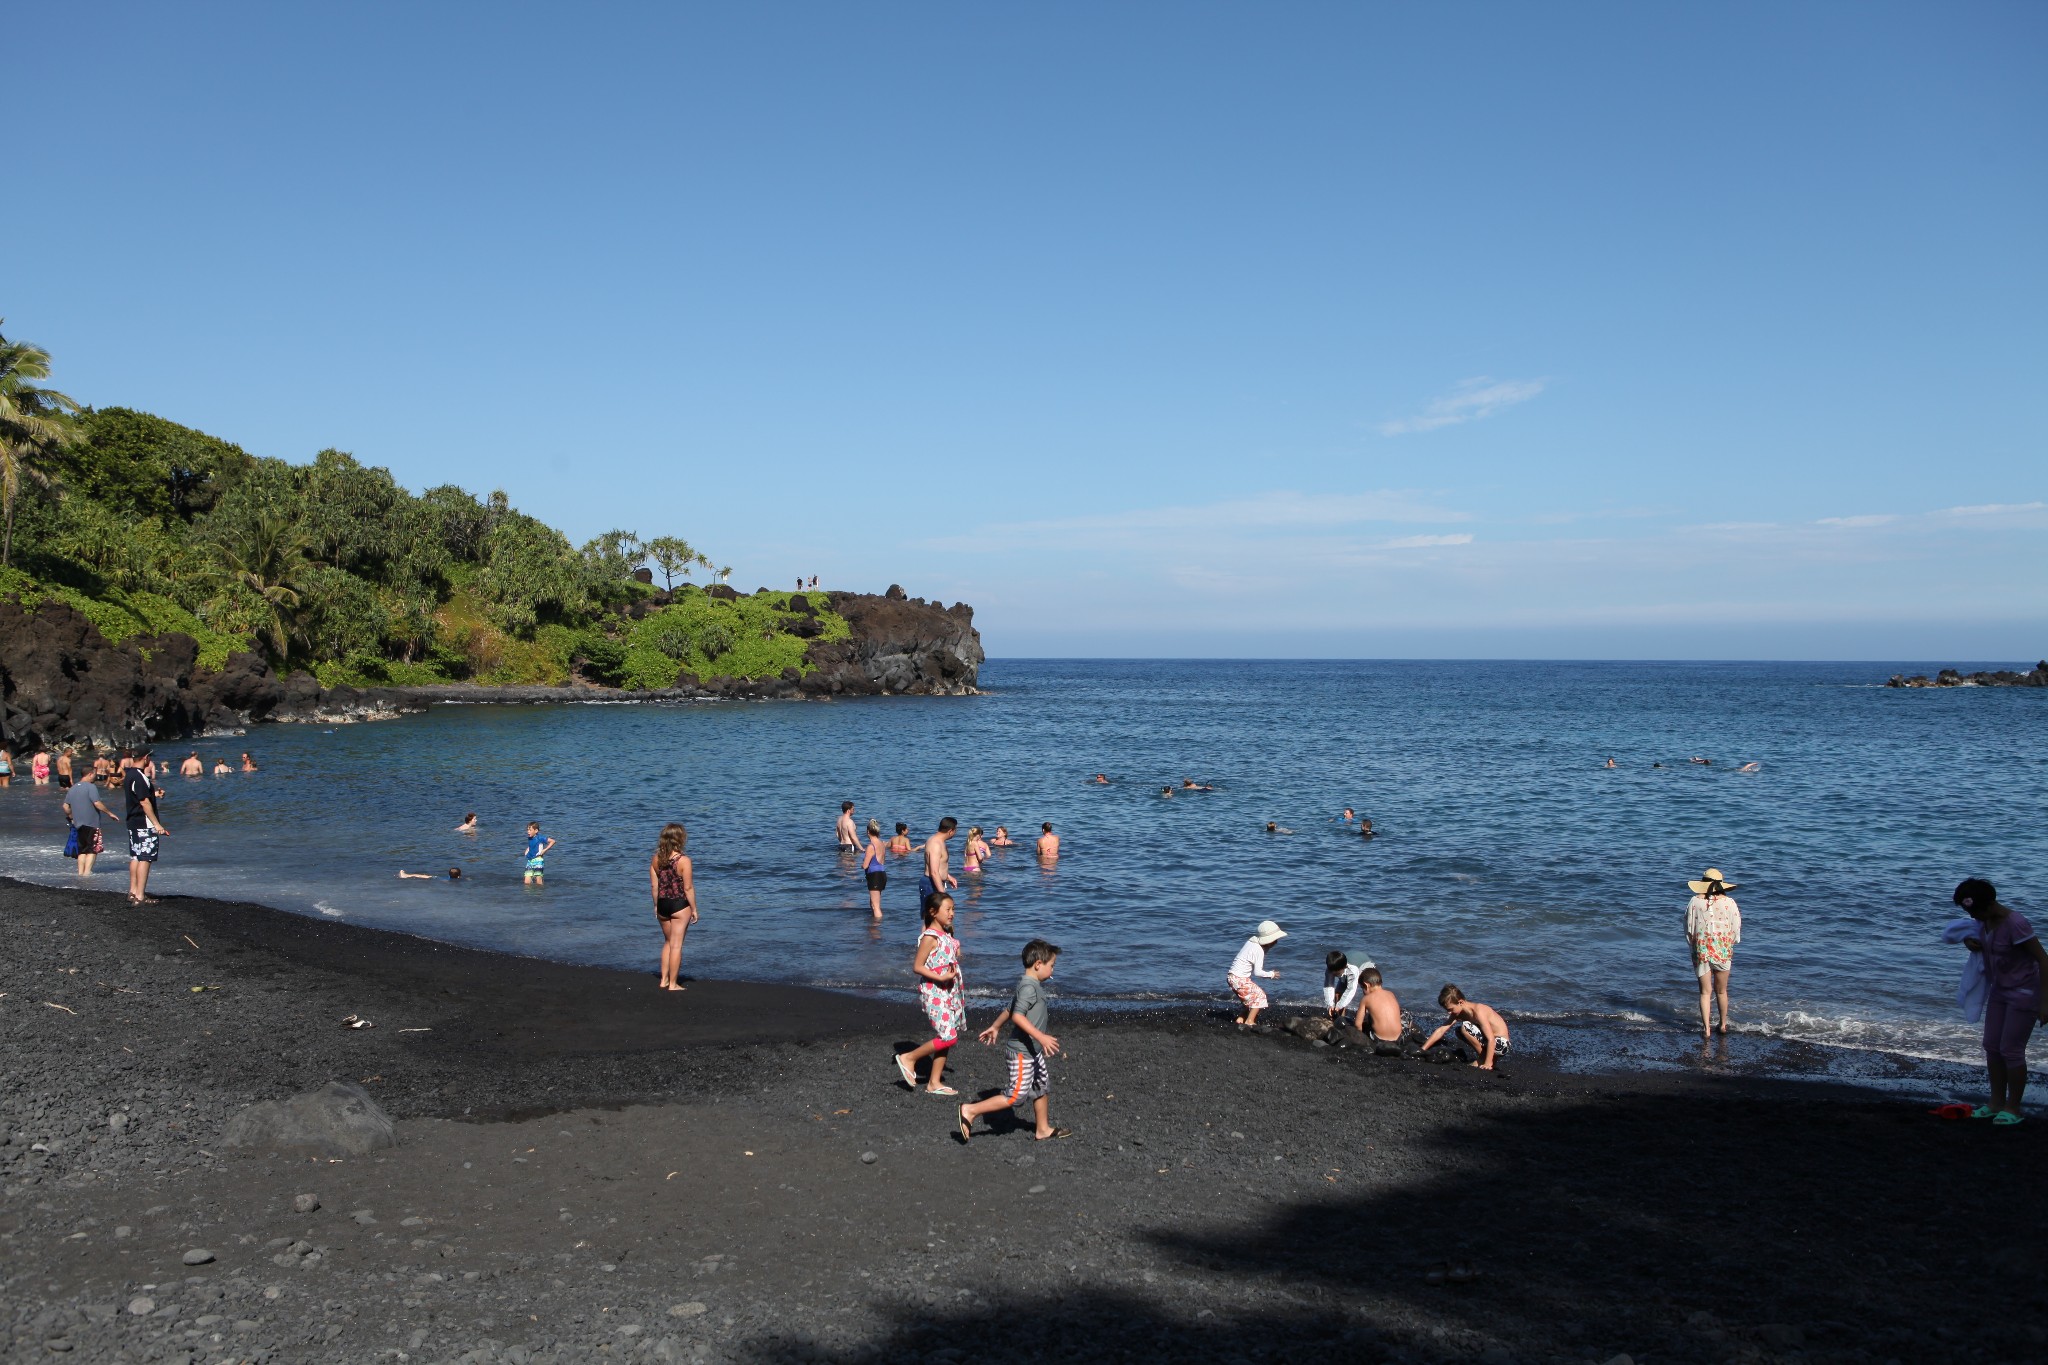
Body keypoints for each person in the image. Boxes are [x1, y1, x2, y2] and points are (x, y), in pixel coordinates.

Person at [959, 939, 1071, 1142]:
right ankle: (970, 1110)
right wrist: (1041, 1037)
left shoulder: (1027, 984)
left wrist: (995, 1026)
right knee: (1015, 1095)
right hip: (1021, 1052)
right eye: (1051, 965)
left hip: (1032, 1050)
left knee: (1041, 1085)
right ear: (1038, 964)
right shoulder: (1029, 987)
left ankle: (1043, 1128)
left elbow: (1010, 1009)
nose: (1053, 970)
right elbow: (1018, 1016)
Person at [1954, 877, 2047, 1125]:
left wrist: (2045, 1003)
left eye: (1974, 911)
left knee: (2011, 1050)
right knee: (1992, 1046)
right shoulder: (1983, 921)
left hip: (2025, 993)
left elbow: (2043, 959)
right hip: (2000, 991)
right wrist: (1970, 943)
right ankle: (1995, 1103)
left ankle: (2013, 1108)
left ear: (1990, 903)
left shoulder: (2016, 923)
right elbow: (1986, 945)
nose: (1973, 917)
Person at [895, 893, 964, 1096]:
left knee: (948, 1034)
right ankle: (909, 1058)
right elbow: (917, 966)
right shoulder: (930, 937)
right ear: (933, 912)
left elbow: (953, 956)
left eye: (953, 909)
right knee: (948, 1036)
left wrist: (952, 939)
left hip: (949, 991)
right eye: (947, 909)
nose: (952, 913)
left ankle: (934, 1082)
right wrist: (940, 977)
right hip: (935, 991)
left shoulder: (945, 935)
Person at [1685, 869, 1743, 1039]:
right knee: (1722, 991)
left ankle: (1706, 1029)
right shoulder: (1730, 903)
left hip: (1701, 950)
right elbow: (1735, 928)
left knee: (1705, 992)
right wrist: (1730, 942)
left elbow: (1688, 929)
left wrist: (1693, 944)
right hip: (1723, 949)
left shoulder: (1694, 901)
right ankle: (1723, 1025)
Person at [650, 823, 697, 992]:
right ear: (680, 839)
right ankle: (673, 984)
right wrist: (694, 909)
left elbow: (654, 887)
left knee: (668, 942)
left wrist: (656, 906)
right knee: (676, 945)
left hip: (663, 903)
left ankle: (663, 980)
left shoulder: (656, 859)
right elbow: (688, 888)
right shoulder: (684, 860)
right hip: (679, 904)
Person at [1422, 985, 1510, 1069]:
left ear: (1461, 1002)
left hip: (1501, 1044)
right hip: (1490, 1041)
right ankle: (1484, 1058)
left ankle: (1485, 1060)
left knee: (1465, 1028)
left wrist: (1488, 1064)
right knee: (1459, 1031)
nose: (1449, 1013)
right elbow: (1441, 1030)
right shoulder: (1458, 1013)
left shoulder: (1478, 1011)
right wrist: (1423, 1049)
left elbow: (1491, 1038)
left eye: (1450, 1009)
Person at [122, 749, 168, 905]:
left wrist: (154, 795)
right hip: (144, 823)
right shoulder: (140, 776)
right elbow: (143, 802)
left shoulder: (129, 774)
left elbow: (137, 796)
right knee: (145, 858)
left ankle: (133, 891)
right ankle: (140, 895)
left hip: (133, 821)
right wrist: (157, 824)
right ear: (145, 758)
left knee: (135, 856)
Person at [1227, 920, 1286, 1026]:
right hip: (1239, 979)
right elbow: (1258, 972)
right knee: (1260, 996)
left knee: (1250, 999)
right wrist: (1271, 974)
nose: (1276, 942)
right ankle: (1250, 1021)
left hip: (1232, 977)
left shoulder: (1251, 943)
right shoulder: (1258, 950)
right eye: (1275, 940)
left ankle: (1241, 1019)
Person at [1350, 968, 1410, 1055]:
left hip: (1379, 1041)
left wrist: (1360, 1037)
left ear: (1366, 985)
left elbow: (1357, 1024)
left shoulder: (1366, 999)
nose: (1363, 992)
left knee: (1369, 1017)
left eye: (1362, 988)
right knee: (1405, 1012)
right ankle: (1409, 1034)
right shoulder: (1391, 993)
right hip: (1399, 1039)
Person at [65, 772, 114, 875]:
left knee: (82, 850)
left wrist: (72, 818)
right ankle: (87, 873)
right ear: (90, 774)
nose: (95, 776)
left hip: (78, 824)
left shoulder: (73, 788)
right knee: (92, 849)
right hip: (92, 823)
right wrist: (109, 813)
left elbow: (65, 806)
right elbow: (97, 803)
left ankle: (80, 873)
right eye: (94, 774)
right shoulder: (91, 787)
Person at [1323, 949, 1373, 1018]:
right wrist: (1330, 1005)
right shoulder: (1330, 969)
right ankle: (1340, 1017)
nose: (1334, 975)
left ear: (1344, 967)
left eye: (1337, 974)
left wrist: (1339, 1006)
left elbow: (1351, 989)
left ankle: (1368, 1017)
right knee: (1338, 993)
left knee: (1368, 993)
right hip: (1344, 969)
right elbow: (1328, 986)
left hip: (1365, 966)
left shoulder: (1352, 970)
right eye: (1333, 974)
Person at [921, 817, 958, 906]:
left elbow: (937, 865)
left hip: (935, 882)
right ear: (950, 831)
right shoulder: (936, 844)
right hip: (931, 883)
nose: (955, 833)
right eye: (955, 830)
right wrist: (943, 895)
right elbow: (933, 872)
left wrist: (948, 877)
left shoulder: (937, 841)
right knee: (931, 916)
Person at [861, 818, 888, 920]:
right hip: (882, 874)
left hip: (874, 876)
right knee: (873, 903)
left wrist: (860, 865)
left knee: (875, 906)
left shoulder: (871, 847)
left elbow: (865, 865)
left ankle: (877, 927)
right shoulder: (882, 844)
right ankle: (873, 925)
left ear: (868, 832)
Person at [399, 868, 463, 880]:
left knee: (423, 876)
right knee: (425, 876)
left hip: (437, 878)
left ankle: (406, 875)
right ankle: (406, 876)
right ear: (459, 876)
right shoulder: (458, 879)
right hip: (438, 879)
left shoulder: (447, 878)